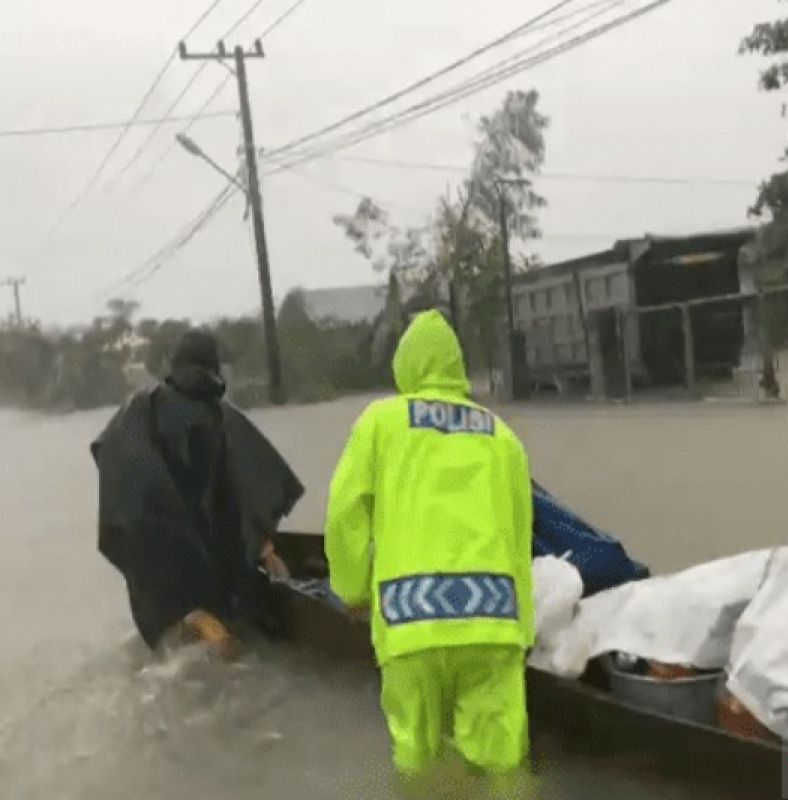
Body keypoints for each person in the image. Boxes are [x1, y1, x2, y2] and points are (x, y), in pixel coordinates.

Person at [324, 309, 535, 785]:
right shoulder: (503, 436)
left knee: (418, 762)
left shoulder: (380, 422)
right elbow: (521, 537)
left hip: (409, 621)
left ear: (405, 367)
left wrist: (353, 588)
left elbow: (344, 512)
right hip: (493, 620)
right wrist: (523, 630)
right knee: (502, 766)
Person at [91, 329, 304, 656]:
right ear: (214, 369)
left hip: (161, 582)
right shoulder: (223, 417)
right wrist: (264, 547)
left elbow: (118, 482)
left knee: (182, 648)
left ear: (173, 365)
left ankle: (196, 622)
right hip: (221, 575)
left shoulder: (136, 414)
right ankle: (209, 626)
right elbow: (252, 490)